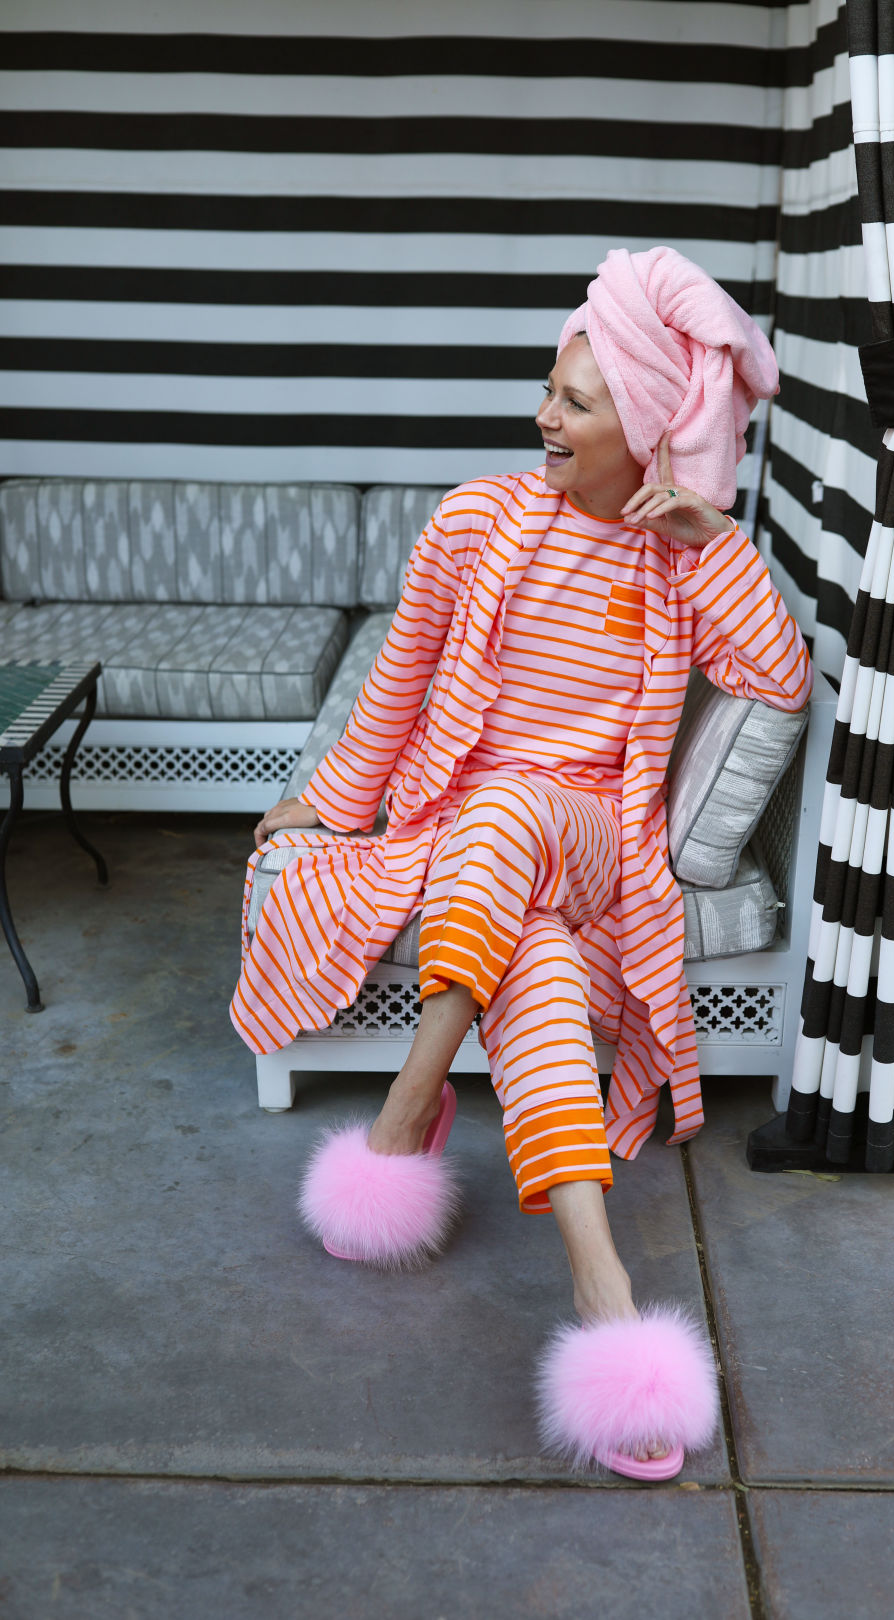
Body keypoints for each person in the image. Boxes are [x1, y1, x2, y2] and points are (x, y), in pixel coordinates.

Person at [231, 246, 811, 1481]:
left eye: (578, 403)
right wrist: (330, 806)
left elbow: (779, 679)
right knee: (536, 965)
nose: (544, 416)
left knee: (515, 819)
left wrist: (716, 545)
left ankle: (408, 1104)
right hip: (484, 854)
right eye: (548, 389)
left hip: (596, 842)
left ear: (647, 430)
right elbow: (395, 689)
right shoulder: (479, 518)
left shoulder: (675, 559)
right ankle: (605, 1292)